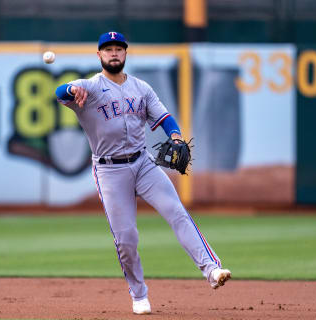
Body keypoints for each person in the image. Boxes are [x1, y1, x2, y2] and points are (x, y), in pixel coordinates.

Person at [55, 31, 231, 315]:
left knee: (177, 212)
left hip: (143, 163)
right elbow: (61, 91)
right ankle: (138, 294)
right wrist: (71, 90)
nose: (114, 53)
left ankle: (212, 269)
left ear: (126, 54)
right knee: (126, 239)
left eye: (118, 49)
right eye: (108, 49)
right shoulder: (90, 87)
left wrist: (174, 137)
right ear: (99, 55)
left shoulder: (141, 88)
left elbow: (165, 118)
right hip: (109, 170)